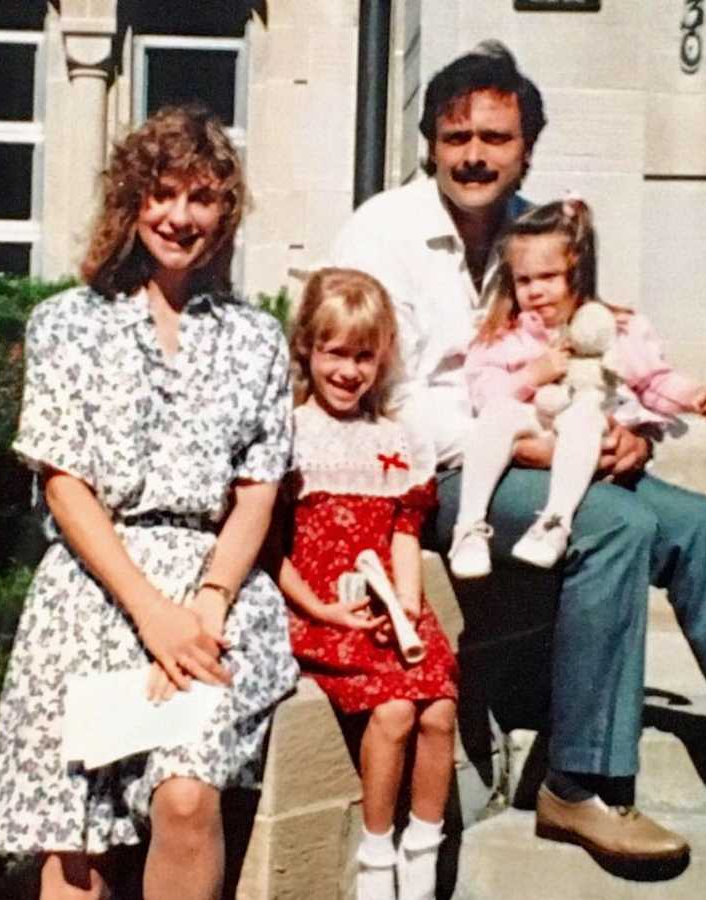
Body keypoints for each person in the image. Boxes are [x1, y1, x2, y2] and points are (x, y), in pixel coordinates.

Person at [332, 42, 706, 866]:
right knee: (611, 526)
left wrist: (623, 433)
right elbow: (386, 401)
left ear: (527, 147)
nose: (474, 155)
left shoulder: (542, 233)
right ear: (430, 143)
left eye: (496, 138)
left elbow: (605, 354)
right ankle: (579, 784)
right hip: (431, 477)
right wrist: (538, 445)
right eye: (456, 135)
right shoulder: (381, 232)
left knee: (704, 525)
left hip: (541, 449)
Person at [0, 106, 299, 899]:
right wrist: (148, 610)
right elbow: (63, 481)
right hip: (94, 590)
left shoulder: (255, 339)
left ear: (227, 211)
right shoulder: (66, 325)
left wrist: (210, 603)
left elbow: (258, 486)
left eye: (204, 198)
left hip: (210, 594)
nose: (181, 217)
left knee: (185, 796)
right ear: (132, 201)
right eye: (164, 194)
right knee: (75, 846)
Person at [278, 268, 458, 900]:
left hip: (388, 604)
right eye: (335, 353)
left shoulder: (394, 440)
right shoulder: (290, 433)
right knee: (395, 709)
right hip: (323, 608)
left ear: (381, 357)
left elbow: (403, 532)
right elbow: (272, 549)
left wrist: (409, 605)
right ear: (308, 349)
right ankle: (376, 851)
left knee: (438, 708)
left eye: (363, 355)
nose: (349, 370)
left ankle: (422, 847)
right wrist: (323, 610)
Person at [448, 197, 706, 578]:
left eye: (548, 277)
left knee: (585, 415)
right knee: (499, 415)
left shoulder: (613, 329)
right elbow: (486, 396)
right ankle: (469, 527)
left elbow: (652, 380)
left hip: (586, 437)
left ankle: (554, 523)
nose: (536, 291)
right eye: (524, 280)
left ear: (576, 273)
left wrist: (693, 397)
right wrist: (534, 374)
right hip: (533, 429)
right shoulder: (505, 335)